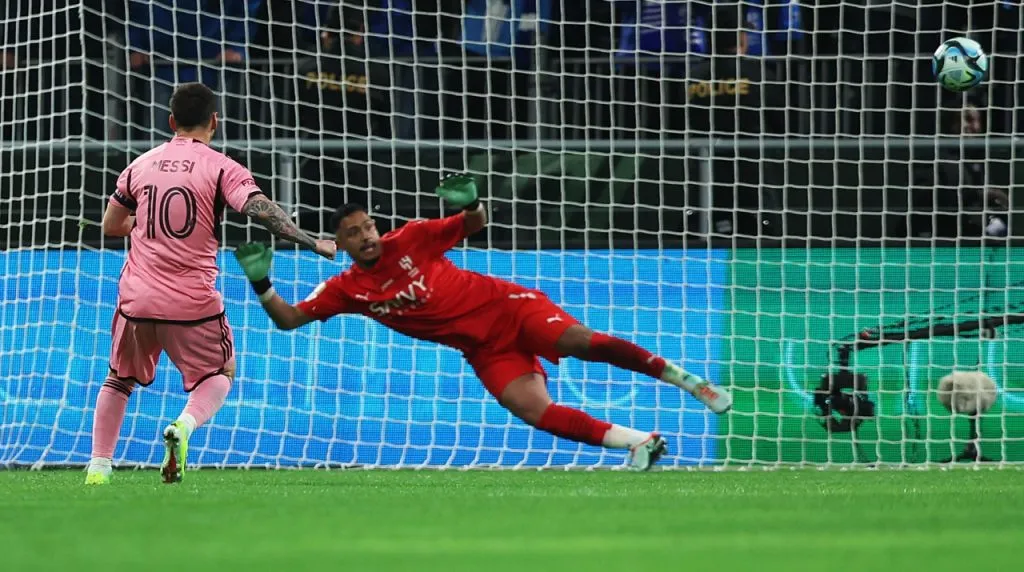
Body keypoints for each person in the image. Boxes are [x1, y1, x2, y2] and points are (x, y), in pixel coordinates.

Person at [234, 173, 733, 471]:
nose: (367, 236)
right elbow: (289, 320)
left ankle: (691, 383)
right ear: (339, 244)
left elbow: (474, 224)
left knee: (581, 341)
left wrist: (470, 202)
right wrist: (262, 283)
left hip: (510, 307)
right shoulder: (346, 289)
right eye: (353, 233)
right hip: (484, 349)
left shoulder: (412, 238)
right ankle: (639, 442)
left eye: (368, 226)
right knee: (534, 410)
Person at [86, 83, 336, 485]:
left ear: (170, 122)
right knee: (221, 372)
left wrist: (140, 224)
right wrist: (311, 241)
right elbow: (260, 210)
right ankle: (183, 427)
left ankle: (98, 469)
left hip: (136, 298)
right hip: (191, 301)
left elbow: (111, 226)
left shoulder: (140, 164)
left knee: (118, 378)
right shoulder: (221, 167)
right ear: (214, 122)